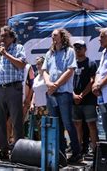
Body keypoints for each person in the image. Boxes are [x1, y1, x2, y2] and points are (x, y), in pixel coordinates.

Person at [42, 28, 82, 164]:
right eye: (52, 35)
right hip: (52, 94)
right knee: (55, 124)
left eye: (55, 35)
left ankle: (77, 152)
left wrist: (56, 85)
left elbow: (70, 71)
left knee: (68, 123)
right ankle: (60, 153)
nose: (53, 37)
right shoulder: (49, 53)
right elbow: (44, 71)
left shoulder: (69, 51)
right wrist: (48, 83)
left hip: (64, 92)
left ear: (62, 37)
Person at [0, 26, 27, 160]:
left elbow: (21, 65)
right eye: (1, 36)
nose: (2, 38)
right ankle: (3, 151)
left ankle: (19, 151)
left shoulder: (19, 48)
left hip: (13, 89)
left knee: (16, 121)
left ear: (12, 37)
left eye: (5, 36)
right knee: (0, 121)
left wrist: (6, 54)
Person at [72, 40, 99, 155]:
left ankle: (96, 151)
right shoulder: (71, 64)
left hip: (88, 100)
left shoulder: (91, 63)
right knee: (77, 125)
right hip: (74, 100)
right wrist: (74, 95)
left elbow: (92, 80)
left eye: (80, 47)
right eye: (76, 48)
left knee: (91, 125)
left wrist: (82, 95)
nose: (78, 50)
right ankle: (78, 151)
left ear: (85, 49)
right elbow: (68, 80)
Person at [29, 56, 48, 140]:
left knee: (47, 127)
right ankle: (41, 147)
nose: (37, 66)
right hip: (38, 107)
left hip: (46, 106)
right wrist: (32, 103)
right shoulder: (36, 78)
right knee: (39, 128)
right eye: (37, 64)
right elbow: (34, 92)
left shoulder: (48, 76)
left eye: (39, 64)